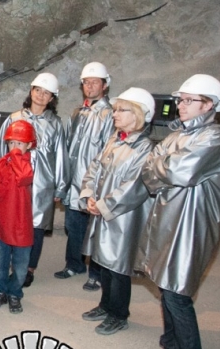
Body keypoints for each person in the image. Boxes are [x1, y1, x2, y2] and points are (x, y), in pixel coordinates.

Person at [138, 74, 220, 349]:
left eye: (190, 100)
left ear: (209, 105)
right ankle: (171, 341)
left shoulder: (214, 138)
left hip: (192, 223)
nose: (181, 104)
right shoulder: (178, 135)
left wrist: (162, 163)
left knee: (177, 291)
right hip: (168, 217)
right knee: (166, 285)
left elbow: (181, 171)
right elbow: (149, 172)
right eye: (181, 99)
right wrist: (163, 165)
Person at [77, 87, 156, 336]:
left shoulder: (144, 148)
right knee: (103, 261)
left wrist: (102, 205)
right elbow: (95, 167)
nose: (115, 114)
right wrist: (89, 194)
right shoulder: (115, 139)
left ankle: (119, 314)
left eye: (122, 110)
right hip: (103, 211)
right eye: (116, 109)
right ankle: (105, 305)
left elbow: (134, 187)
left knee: (119, 266)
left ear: (138, 115)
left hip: (124, 218)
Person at [0, 72, 66, 288]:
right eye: (38, 90)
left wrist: (60, 187)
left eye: (46, 93)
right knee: (11, 219)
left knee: (37, 225)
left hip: (43, 181)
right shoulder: (14, 118)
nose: (41, 95)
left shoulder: (55, 124)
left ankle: (29, 268)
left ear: (52, 98)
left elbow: (60, 156)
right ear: (31, 91)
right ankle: (8, 265)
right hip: (14, 180)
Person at [56, 62, 114, 291]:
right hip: (75, 181)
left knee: (96, 229)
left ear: (105, 85)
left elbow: (108, 153)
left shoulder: (109, 114)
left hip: (95, 183)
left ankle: (96, 274)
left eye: (94, 82)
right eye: (86, 82)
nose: (89, 86)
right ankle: (74, 264)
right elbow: (69, 146)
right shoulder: (77, 112)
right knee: (74, 225)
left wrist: (101, 184)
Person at [0, 120, 36, 315]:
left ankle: (15, 292)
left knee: (21, 266)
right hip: (1, 223)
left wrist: (14, 156)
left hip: (21, 225)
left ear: (29, 145)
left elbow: (25, 176)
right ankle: (0, 290)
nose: (14, 148)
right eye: (11, 143)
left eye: (19, 144)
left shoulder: (26, 162)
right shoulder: (3, 161)